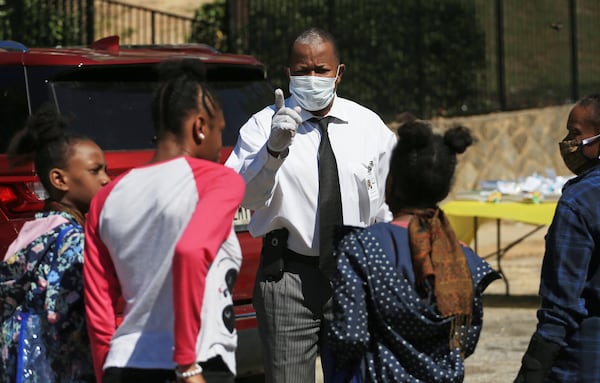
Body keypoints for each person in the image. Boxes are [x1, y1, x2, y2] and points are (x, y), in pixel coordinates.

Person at [225, 27, 398, 382]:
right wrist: (272, 152)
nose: (312, 78)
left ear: (339, 73)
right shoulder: (262, 126)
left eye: (321, 70)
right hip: (288, 277)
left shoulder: (368, 127)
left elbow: (388, 206)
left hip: (354, 276)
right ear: (288, 73)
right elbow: (244, 197)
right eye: (302, 70)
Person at [83, 59, 245, 383]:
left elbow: (99, 305)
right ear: (200, 127)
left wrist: (104, 373)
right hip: (195, 362)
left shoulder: (106, 197)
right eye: (219, 129)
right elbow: (190, 251)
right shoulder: (219, 180)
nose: (220, 140)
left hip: (123, 363)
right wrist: (187, 363)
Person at [325, 121, 500, 382]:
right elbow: (465, 340)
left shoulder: (360, 248)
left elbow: (350, 336)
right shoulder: (465, 259)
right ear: (443, 189)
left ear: (391, 182)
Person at [0, 105, 109, 383]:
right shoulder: (73, 241)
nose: (106, 179)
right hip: (57, 366)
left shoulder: (35, 229)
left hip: (19, 360)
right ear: (59, 179)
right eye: (95, 171)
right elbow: (62, 313)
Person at [514, 94, 600, 382]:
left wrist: (533, 370)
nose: (567, 142)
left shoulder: (579, 202)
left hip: (584, 361)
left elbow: (561, 304)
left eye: (575, 134)